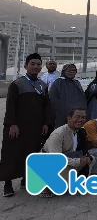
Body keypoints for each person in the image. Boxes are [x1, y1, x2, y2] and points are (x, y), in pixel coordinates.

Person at [0, 53, 52, 198]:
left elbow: (46, 106)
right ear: (26, 66)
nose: (36, 67)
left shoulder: (42, 85)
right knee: (12, 154)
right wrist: (12, 124)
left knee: (32, 153)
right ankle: (8, 184)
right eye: (32, 64)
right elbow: (10, 105)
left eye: (38, 64)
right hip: (17, 126)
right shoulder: (17, 84)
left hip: (35, 128)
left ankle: (25, 180)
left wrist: (46, 123)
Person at [40, 108, 97, 198]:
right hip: (51, 163)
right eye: (77, 117)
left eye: (83, 117)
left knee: (92, 159)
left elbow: (82, 150)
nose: (80, 120)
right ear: (69, 118)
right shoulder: (59, 134)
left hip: (68, 158)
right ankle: (46, 185)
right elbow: (56, 158)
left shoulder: (81, 131)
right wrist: (78, 162)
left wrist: (85, 158)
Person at [49, 63, 86, 128]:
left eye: (73, 70)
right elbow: (53, 100)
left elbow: (82, 99)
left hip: (76, 116)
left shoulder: (76, 83)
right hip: (61, 116)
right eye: (68, 70)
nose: (71, 72)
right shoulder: (58, 83)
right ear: (64, 71)